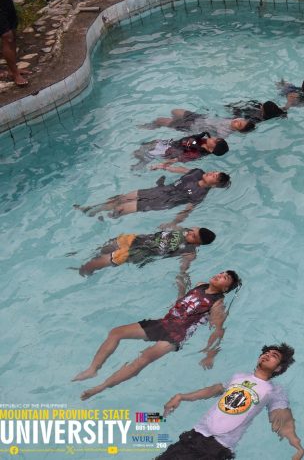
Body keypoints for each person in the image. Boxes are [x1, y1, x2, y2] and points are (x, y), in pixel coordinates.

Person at [73, 270, 242, 400]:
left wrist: (210, 353)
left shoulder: (217, 305)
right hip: (164, 322)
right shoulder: (201, 284)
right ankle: (93, 369)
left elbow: (218, 329)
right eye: (222, 273)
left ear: (225, 288)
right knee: (116, 332)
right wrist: (182, 286)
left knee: (142, 359)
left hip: (175, 335)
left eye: (225, 278)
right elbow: (183, 301)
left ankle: (101, 387)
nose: (220, 275)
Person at [159, 343, 304, 460]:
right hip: (195, 434)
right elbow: (214, 390)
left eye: (274, 356)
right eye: (266, 353)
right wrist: (182, 396)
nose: (267, 355)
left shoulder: (273, 391)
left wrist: (295, 444)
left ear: (278, 368)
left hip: (219, 447)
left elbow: (282, 418)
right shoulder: (238, 377)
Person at [75, 166, 231, 222]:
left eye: (214, 176)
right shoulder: (198, 172)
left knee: (121, 209)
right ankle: (92, 210)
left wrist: (174, 223)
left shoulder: (200, 194)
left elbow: (188, 209)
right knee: (121, 198)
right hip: (160, 190)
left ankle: (104, 219)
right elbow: (182, 170)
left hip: (164, 202)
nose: (211, 173)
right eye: (214, 172)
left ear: (215, 185)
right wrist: (163, 166)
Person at [78, 226, 215, 277]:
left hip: (135, 253)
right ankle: (82, 261)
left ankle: (82, 271)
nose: (190, 233)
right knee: (101, 250)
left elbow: (183, 270)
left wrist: (183, 281)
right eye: (193, 231)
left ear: (198, 244)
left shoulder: (190, 253)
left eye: (193, 236)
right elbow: (167, 227)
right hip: (135, 239)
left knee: (93, 264)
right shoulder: (187, 230)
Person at [0, 0, 42, 87]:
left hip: (6, 1)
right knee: (7, 36)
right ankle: (15, 75)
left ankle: (14, 69)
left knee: (13, 33)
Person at [131, 132, 228, 170]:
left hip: (165, 152)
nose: (214, 138)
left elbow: (177, 159)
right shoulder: (203, 140)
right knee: (143, 147)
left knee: (140, 154)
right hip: (169, 143)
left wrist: (161, 165)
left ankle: (138, 166)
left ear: (211, 149)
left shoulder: (196, 153)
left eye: (215, 141)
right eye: (217, 138)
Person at [141, 109, 255, 138]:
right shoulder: (233, 119)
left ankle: (153, 126)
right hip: (199, 118)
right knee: (175, 111)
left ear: (238, 130)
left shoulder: (223, 133)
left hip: (193, 126)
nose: (237, 121)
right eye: (241, 120)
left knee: (161, 120)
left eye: (239, 124)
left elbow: (208, 137)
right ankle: (172, 123)